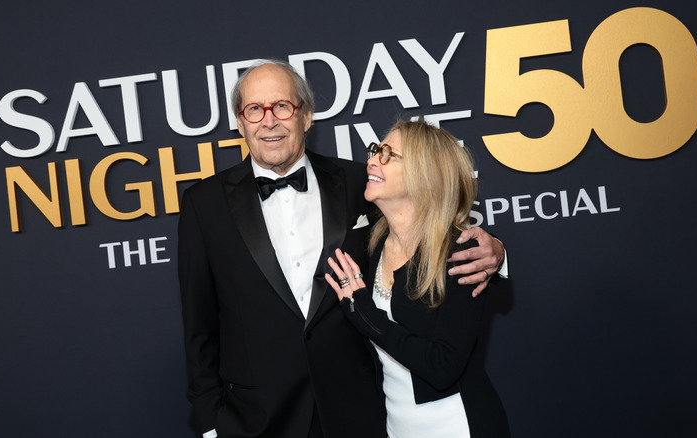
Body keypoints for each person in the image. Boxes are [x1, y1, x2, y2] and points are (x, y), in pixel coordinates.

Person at [178, 60, 506, 438]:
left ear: (307, 116)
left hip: (360, 410)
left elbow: (424, 220)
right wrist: (209, 423)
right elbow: (198, 324)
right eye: (254, 109)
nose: (269, 121)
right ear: (240, 121)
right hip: (258, 419)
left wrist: (496, 251)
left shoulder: (359, 183)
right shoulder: (204, 204)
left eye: (282, 106)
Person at [326, 120, 511, 437]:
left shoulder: (462, 256)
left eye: (387, 154)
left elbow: (442, 367)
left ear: (424, 175)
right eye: (375, 150)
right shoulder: (365, 245)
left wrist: (364, 315)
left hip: (457, 425)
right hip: (396, 428)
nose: (371, 159)